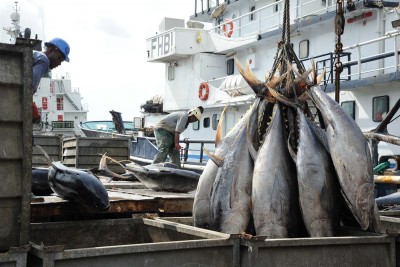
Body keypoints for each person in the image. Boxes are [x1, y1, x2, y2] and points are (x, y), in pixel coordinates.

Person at [32, 37, 70, 123]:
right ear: (50, 50)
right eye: (59, 58)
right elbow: (28, 88)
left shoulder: (35, 55)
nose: (59, 63)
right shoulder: (44, 60)